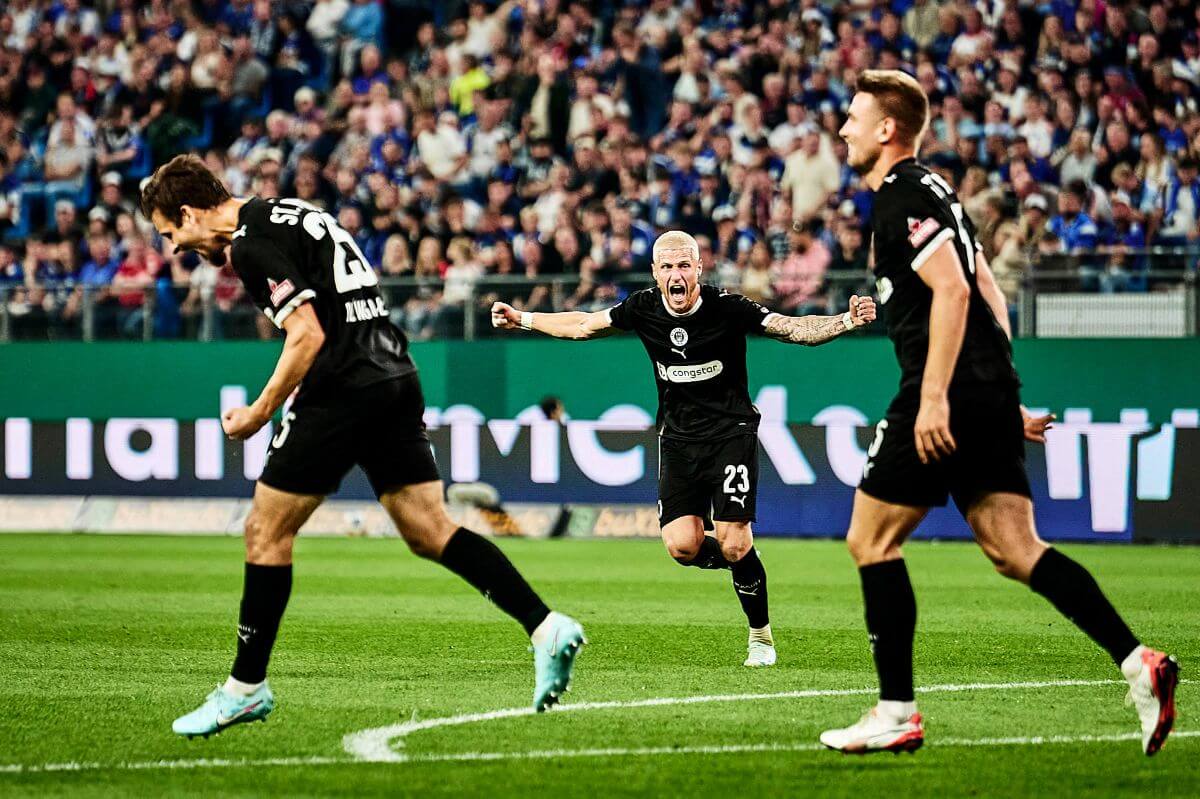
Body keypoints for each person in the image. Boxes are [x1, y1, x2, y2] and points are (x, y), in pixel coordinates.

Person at [139, 155, 585, 738]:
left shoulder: (250, 245)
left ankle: (245, 689)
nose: (176, 247)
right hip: (395, 373)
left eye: (172, 233)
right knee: (430, 530)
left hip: (342, 386)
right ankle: (544, 626)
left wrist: (256, 413)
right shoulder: (294, 213)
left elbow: (307, 336)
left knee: (264, 532)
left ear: (192, 213)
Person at [820, 69, 1178, 756]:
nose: (844, 128)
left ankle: (897, 710)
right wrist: (1000, 400)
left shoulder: (900, 195)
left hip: (944, 386)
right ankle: (1140, 663)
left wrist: (935, 398)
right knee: (1017, 551)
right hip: (982, 390)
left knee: (871, 539)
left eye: (855, 117)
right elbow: (991, 291)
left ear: (887, 129)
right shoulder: (943, 196)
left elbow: (955, 293)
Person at [491, 230, 877, 667]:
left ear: (698, 268)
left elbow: (792, 329)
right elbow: (583, 325)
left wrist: (845, 321)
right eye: (667, 267)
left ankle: (760, 637)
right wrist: (522, 319)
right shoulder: (642, 308)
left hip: (731, 432)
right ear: (655, 273)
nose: (676, 275)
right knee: (683, 547)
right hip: (677, 439)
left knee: (732, 541)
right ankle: (744, 561)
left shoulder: (727, 307)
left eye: (683, 265)